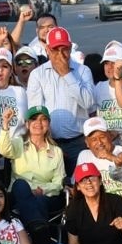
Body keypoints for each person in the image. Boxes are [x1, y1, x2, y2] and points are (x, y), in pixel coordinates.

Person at [26, 26, 95, 171]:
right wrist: (48, 144)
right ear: (47, 50)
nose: (60, 54)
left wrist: (67, 74)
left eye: (64, 49)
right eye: (55, 50)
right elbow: (36, 113)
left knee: (79, 186)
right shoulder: (37, 74)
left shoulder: (83, 71)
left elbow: (88, 103)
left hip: (79, 142)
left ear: (70, 48)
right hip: (49, 143)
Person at [0, 105, 66, 227]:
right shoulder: (19, 143)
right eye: (34, 119)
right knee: (20, 185)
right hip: (18, 194)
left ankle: (36, 231)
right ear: (27, 124)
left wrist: (43, 190)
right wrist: (5, 124)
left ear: (48, 124)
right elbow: (3, 150)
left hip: (44, 196)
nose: (38, 123)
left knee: (40, 200)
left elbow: (58, 182)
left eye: (43, 119)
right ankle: (41, 232)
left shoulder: (56, 151)